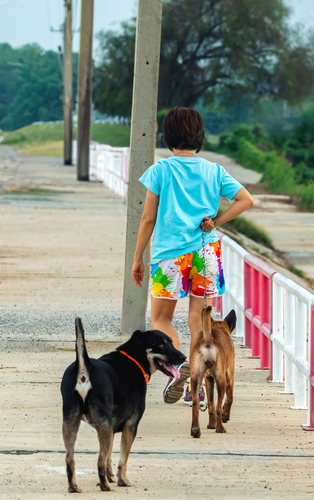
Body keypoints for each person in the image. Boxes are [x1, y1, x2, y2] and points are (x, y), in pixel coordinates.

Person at [131, 106, 254, 405]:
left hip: (170, 256)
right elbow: (246, 199)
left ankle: (178, 368)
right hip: (205, 253)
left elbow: (148, 219)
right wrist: (216, 221)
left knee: (161, 318)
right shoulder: (214, 171)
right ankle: (197, 385)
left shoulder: (160, 170)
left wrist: (137, 258)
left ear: (168, 136)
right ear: (199, 137)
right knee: (199, 321)